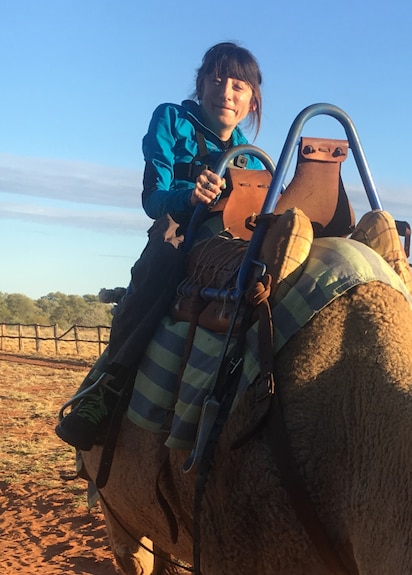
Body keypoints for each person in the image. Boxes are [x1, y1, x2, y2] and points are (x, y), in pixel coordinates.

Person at [56, 42, 265, 451]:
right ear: (201, 84)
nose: (226, 92)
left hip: (227, 241)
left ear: (251, 102)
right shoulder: (171, 119)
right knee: (163, 263)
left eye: (238, 86)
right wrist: (190, 197)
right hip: (180, 228)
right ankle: (109, 386)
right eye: (217, 80)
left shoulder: (252, 158)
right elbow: (153, 199)